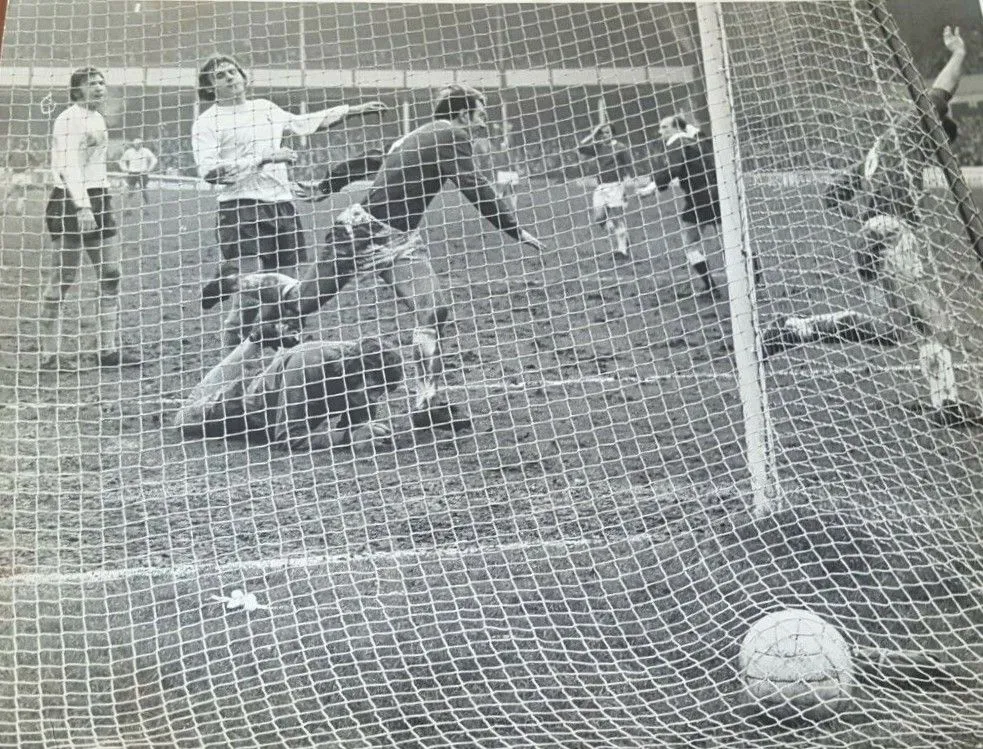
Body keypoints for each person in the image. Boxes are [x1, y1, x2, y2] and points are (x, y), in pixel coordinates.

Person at [249, 84, 546, 433]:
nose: (485, 117)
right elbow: (470, 181)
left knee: (433, 309)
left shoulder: (419, 135)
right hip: (361, 233)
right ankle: (241, 283)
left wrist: (328, 185)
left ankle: (426, 404)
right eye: (481, 110)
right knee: (305, 300)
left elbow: (373, 159)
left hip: (399, 240)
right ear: (464, 113)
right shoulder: (452, 134)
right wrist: (511, 227)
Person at [760, 26, 982, 427]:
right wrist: (959, 54)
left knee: (889, 329)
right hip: (892, 233)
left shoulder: (876, 150)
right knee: (938, 325)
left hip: (875, 234)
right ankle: (946, 403)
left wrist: (866, 221)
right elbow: (942, 90)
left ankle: (797, 328)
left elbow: (831, 196)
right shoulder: (916, 128)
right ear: (937, 133)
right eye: (941, 145)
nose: (939, 153)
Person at [191, 53, 388, 309]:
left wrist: (352, 111)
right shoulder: (206, 123)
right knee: (253, 282)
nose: (229, 77)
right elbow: (209, 171)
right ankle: (230, 283)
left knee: (285, 290)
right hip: (240, 207)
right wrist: (264, 158)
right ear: (209, 87)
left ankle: (256, 334)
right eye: (219, 75)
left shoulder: (265, 107)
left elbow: (303, 123)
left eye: (232, 71)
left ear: (242, 75)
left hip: (282, 205)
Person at [38, 67, 142, 369]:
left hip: (99, 197)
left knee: (111, 273)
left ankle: (107, 350)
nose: (98, 87)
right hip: (72, 200)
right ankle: (49, 355)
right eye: (90, 84)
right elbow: (69, 167)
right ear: (77, 90)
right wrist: (82, 206)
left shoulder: (97, 118)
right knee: (63, 278)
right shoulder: (68, 119)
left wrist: (97, 201)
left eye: (100, 82)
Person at [173, 333, 403, 451]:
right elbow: (287, 438)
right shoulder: (310, 365)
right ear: (357, 372)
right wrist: (347, 438)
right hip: (242, 410)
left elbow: (358, 427)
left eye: (381, 393)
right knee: (182, 418)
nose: (375, 399)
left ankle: (276, 353)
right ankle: (252, 342)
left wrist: (366, 431)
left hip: (277, 391)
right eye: (374, 390)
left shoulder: (363, 370)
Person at [651, 115, 733, 297]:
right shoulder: (698, 141)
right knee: (731, 240)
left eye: (664, 127)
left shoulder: (677, 142)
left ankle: (710, 287)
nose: (660, 131)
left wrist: (655, 186)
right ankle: (755, 278)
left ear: (676, 129)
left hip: (699, 197)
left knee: (690, 244)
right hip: (718, 193)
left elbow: (673, 169)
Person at [577, 123, 635, 258]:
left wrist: (633, 185)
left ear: (613, 134)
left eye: (607, 132)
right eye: (602, 133)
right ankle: (623, 236)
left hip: (615, 186)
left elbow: (629, 166)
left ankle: (622, 251)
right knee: (599, 218)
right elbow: (580, 148)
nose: (604, 135)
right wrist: (593, 133)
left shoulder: (620, 148)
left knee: (617, 218)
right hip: (601, 186)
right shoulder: (599, 147)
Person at [117, 138, 158, 205]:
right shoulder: (129, 151)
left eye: (139, 144)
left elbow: (154, 160)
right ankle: (128, 207)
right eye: (136, 144)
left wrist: (149, 169)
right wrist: (125, 169)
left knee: (144, 191)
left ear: (141, 144)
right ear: (133, 144)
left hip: (142, 173)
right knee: (131, 191)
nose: (137, 145)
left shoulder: (145, 151)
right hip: (132, 173)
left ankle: (146, 207)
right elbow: (122, 161)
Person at [6, 138, 34, 215]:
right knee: (10, 191)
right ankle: (5, 210)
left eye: (24, 144)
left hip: (24, 175)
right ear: (19, 144)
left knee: (21, 193)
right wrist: (10, 169)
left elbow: (35, 162)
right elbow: (8, 161)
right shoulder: (13, 152)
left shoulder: (27, 153)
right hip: (15, 175)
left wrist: (29, 168)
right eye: (21, 144)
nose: (22, 145)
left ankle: (18, 211)